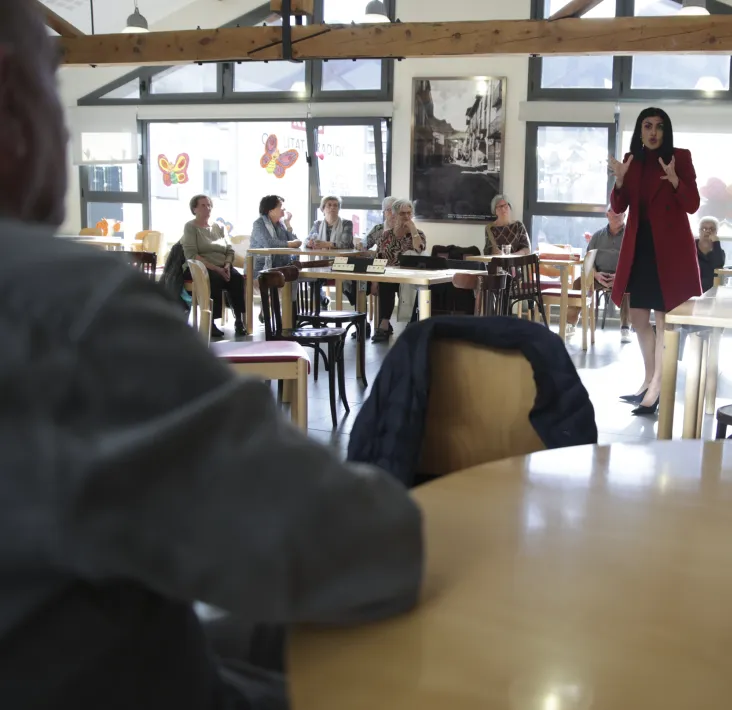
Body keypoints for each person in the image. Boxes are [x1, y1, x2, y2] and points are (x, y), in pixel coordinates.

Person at [0, 3, 424, 709]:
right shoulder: (67, 312)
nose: (65, 124)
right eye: (53, 82)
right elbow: (347, 547)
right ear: (11, 101)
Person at [608, 107, 702, 416]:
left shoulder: (680, 157)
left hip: (670, 251)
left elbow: (693, 205)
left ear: (666, 131)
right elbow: (619, 206)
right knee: (637, 318)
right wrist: (620, 182)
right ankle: (648, 379)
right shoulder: (632, 161)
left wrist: (676, 181)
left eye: (659, 127)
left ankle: (658, 387)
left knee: (663, 321)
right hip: (640, 248)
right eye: (647, 126)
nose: (653, 132)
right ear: (639, 130)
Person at [181, 194, 246, 338]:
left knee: (236, 279)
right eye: (203, 205)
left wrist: (228, 266)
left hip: (223, 265)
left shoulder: (219, 227)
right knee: (214, 279)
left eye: (209, 205)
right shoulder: (190, 227)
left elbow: (229, 250)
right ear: (194, 209)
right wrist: (216, 268)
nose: (208, 208)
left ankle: (239, 321)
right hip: (200, 267)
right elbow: (191, 254)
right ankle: (211, 322)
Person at [566, 206, 631, 343]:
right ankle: (570, 323)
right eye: (613, 212)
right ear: (607, 215)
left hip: (621, 277)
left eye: (620, 212)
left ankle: (625, 327)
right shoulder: (597, 236)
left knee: (629, 285)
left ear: (624, 215)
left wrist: (620, 276)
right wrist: (595, 274)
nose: (616, 214)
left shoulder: (631, 236)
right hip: (598, 275)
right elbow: (588, 260)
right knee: (579, 282)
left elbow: (635, 260)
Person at [373, 198, 426, 342]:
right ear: (395, 215)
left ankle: (412, 323)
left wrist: (413, 229)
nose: (407, 217)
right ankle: (384, 323)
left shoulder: (419, 234)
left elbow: (419, 249)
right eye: (403, 214)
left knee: (412, 286)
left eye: (409, 213)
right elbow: (379, 258)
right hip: (390, 276)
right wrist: (374, 281)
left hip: (410, 277)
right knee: (385, 282)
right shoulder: (386, 235)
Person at [309, 195, 357, 305]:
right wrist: (310, 242)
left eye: (335, 205)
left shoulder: (346, 223)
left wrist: (325, 244)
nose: (332, 208)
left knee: (351, 282)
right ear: (323, 209)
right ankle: (323, 301)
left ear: (339, 208)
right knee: (311, 279)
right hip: (322, 263)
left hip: (342, 262)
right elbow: (308, 239)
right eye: (329, 205)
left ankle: (354, 302)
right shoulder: (318, 224)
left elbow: (345, 244)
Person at [249, 195, 301, 274]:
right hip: (259, 269)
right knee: (291, 273)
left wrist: (288, 224)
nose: (283, 209)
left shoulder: (280, 224)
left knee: (294, 272)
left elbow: (293, 241)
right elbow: (269, 243)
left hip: (279, 267)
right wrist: (291, 244)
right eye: (280, 206)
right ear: (270, 210)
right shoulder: (258, 224)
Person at [695, 216, 726, 292]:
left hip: (711, 292)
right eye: (704, 228)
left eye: (712, 229)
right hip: (691, 289)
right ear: (699, 231)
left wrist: (716, 242)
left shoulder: (719, 251)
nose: (708, 231)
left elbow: (717, 266)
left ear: (716, 232)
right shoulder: (691, 248)